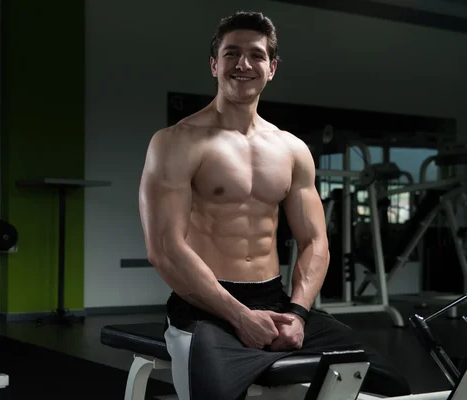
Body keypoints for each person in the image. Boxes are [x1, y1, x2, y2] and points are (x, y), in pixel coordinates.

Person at [138, 10, 412, 400]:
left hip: (277, 302)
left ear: (272, 68)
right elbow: (164, 250)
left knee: (391, 385)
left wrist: (298, 314)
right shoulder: (175, 143)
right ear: (214, 64)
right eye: (231, 54)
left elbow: (316, 242)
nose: (243, 64)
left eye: (256, 55)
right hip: (205, 308)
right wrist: (239, 316)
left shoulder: (292, 149)